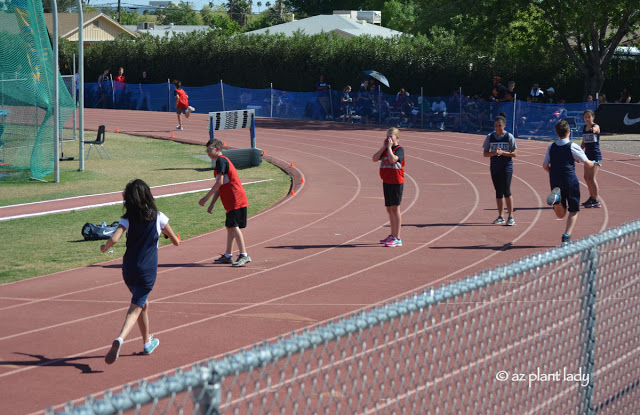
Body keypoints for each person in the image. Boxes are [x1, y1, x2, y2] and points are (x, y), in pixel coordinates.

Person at [101, 179, 181, 364]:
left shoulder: (127, 218)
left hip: (128, 269)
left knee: (142, 304)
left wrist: (104, 248)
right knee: (135, 308)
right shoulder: (158, 216)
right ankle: (120, 339)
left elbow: (113, 238)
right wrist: (169, 235)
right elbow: (176, 242)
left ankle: (147, 343)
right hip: (147, 270)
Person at [199, 139, 251, 266]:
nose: (208, 152)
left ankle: (244, 254)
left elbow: (219, 182)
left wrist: (205, 198)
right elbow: (220, 186)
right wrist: (212, 203)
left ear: (217, 148)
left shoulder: (221, 160)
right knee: (229, 227)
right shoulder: (220, 163)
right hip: (230, 200)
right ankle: (228, 255)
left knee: (233, 226)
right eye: (206, 150)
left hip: (235, 198)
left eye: (209, 149)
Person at [543, 120, 594, 246]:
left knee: (561, 215)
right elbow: (586, 163)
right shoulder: (573, 146)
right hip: (570, 179)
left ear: (557, 132)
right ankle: (566, 236)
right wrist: (594, 162)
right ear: (569, 132)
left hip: (555, 179)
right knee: (573, 210)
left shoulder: (551, 147)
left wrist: (552, 172)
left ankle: (558, 202)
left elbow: (545, 165)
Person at [372, 127, 405, 247]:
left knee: (395, 209)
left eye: (391, 136)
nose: (389, 138)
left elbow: (392, 160)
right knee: (389, 209)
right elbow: (374, 158)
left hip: (396, 182)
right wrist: (383, 147)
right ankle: (392, 234)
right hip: (386, 181)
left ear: (397, 138)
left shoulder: (399, 149)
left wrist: (390, 148)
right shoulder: (385, 150)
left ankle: (398, 237)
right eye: (387, 136)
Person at [483, 116, 517, 226]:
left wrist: (503, 153)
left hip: (506, 168)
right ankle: (501, 216)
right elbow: (485, 153)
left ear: (504, 126)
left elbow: (515, 153)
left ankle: (511, 216)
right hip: (495, 168)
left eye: (500, 126)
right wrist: (494, 153)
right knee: (498, 192)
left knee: (506, 191)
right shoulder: (490, 137)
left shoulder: (509, 136)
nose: (498, 128)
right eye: (496, 126)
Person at [580, 109, 602, 208]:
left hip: (595, 155)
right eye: (585, 117)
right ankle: (591, 197)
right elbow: (584, 141)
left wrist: (593, 130)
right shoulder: (584, 128)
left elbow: (597, 129)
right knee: (586, 177)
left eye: (589, 117)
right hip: (587, 155)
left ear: (593, 117)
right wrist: (579, 152)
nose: (587, 119)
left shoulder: (595, 126)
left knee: (592, 178)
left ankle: (596, 200)